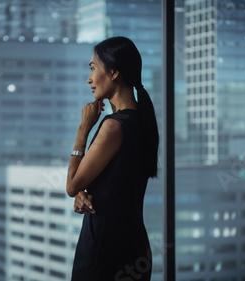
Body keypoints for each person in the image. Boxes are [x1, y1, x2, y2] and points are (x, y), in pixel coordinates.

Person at [66, 36, 159, 281]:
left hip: (104, 250)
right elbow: (114, 181)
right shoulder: (141, 121)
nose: (89, 78)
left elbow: (71, 184)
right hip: (134, 247)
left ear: (114, 71)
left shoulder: (113, 127)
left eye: (93, 68)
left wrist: (82, 130)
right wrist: (82, 193)